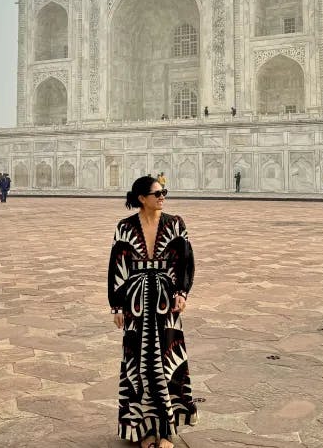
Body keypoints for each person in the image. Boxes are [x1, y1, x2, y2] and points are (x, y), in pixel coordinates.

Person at [108, 176, 198, 447]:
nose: (162, 197)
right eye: (157, 193)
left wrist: (182, 292)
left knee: (168, 362)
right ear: (141, 198)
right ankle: (144, 430)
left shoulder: (175, 224)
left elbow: (186, 260)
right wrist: (116, 305)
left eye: (163, 193)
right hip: (135, 303)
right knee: (138, 365)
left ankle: (167, 430)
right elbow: (117, 266)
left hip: (165, 301)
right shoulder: (124, 227)